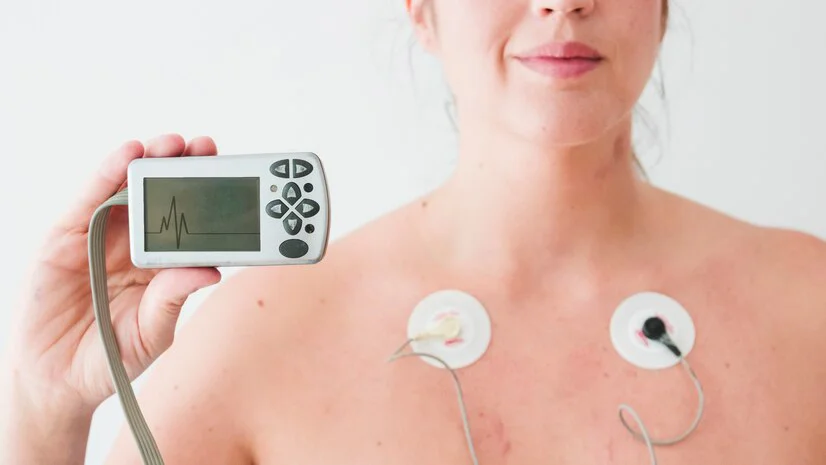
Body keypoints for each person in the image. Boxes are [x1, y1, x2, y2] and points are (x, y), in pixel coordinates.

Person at [3, 0, 826, 463]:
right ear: (421, 10)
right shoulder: (257, 342)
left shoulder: (808, 309)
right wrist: (45, 411)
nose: (562, 4)